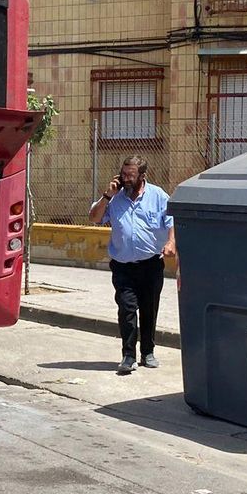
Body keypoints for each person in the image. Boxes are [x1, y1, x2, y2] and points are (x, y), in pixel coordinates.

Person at [88, 155, 175, 374]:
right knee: (126, 309)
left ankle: (148, 352)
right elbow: (93, 218)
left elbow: (171, 221)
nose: (126, 179)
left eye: (131, 175)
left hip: (151, 265)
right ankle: (128, 355)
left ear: (142, 176)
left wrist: (171, 242)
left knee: (149, 309)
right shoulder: (114, 198)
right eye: (123, 174)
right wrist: (107, 195)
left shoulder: (158, 196)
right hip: (123, 266)